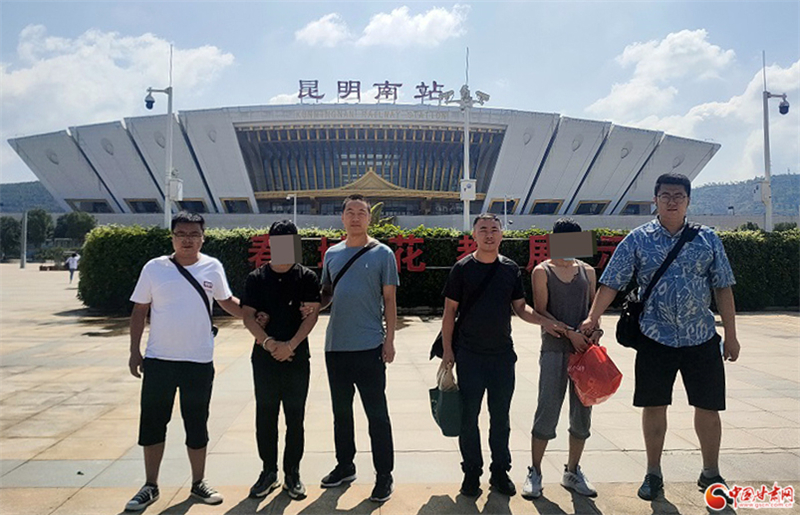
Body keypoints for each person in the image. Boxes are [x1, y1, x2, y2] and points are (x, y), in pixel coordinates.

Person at [580, 173, 740, 501]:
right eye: (665, 195)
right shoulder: (638, 239)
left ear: (688, 201)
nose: (671, 201)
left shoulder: (707, 239)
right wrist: (592, 317)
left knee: (708, 407)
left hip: (701, 336)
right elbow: (612, 281)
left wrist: (732, 335)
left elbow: (723, 287)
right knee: (654, 405)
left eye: (678, 196)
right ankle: (653, 473)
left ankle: (711, 472)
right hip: (655, 336)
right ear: (655, 200)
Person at [441, 213, 567, 498]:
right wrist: (448, 350)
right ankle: (471, 472)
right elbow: (450, 312)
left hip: (502, 357)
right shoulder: (462, 269)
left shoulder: (510, 269)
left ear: (501, 234)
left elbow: (520, 308)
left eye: (494, 229)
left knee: (501, 418)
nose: (489, 234)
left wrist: (545, 322)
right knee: (469, 417)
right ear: (474, 235)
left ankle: (500, 472)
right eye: (483, 229)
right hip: (469, 355)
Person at [125, 212, 244, 512]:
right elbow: (139, 311)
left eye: (194, 234)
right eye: (181, 234)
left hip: (198, 361)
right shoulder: (155, 268)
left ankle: (198, 482)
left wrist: (257, 315)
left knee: (197, 423)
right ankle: (150, 485)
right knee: (153, 423)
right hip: (159, 360)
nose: (187, 240)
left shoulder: (212, 266)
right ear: (172, 237)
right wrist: (134, 351)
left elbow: (227, 301)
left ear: (203, 237)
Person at [318, 194, 399, 503]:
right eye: (350, 212)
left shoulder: (383, 253)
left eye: (361, 212)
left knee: (377, 414)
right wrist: (311, 306)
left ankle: (384, 475)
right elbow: (327, 292)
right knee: (341, 413)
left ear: (369, 218)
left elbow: (389, 299)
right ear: (342, 218)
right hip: (336, 346)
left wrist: (389, 340)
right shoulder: (332, 254)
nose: (355, 217)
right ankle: (345, 466)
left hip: (369, 346)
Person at [241, 220, 321, 500]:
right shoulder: (256, 278)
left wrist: (291, 345)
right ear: (271, 243)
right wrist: (269, 343)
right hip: (264, 358)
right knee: (265, 415)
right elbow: (247, 316)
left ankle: (292, 473)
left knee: (295, 417)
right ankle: (268, 472)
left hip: (297, 357)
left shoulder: (306, 277)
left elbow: (312, 315)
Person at [523, 218, 600, 500]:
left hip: (584, 352)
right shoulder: (542, 271)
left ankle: (572, 471)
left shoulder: (587, 271)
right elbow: (541, 312)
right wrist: (570, 333)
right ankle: (535, 471)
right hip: (555, 350)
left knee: (582, 413)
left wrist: (595, 331)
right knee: (547, 408)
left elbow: (593, 310)